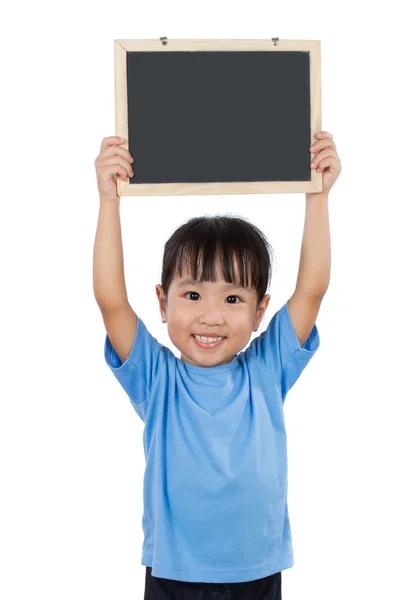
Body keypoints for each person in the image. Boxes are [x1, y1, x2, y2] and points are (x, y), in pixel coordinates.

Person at [93, 132, 342, 599]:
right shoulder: (156, 377)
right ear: (163, 302)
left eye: (233, 298)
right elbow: (110, 300)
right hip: (175, 574)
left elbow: (311, 290)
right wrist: (109, 202)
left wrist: (318, 195)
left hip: (256, 571)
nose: (211, 315)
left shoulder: (266, 370)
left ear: (259, 311)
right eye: (192, 295)